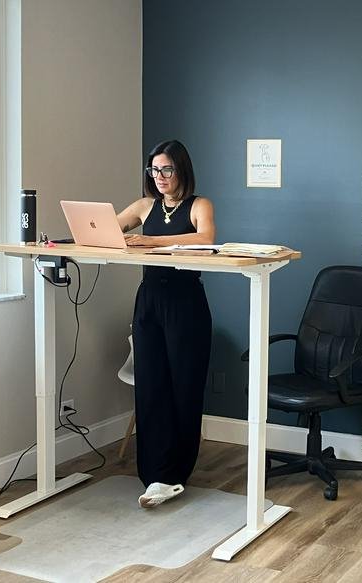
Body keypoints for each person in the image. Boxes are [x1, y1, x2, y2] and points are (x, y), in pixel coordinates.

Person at [117, 139, 215, 508]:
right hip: (149, 302)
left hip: (185, 302)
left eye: (167, 170)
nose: (159, 177)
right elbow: (110, 229)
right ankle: (154, 474)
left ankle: (176, 474)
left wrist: (151, 242)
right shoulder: (144, 206)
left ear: (182, 170)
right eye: (154, 170)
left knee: (183, 387)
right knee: (150, 387)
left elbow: (206, 238)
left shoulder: (199, 205)